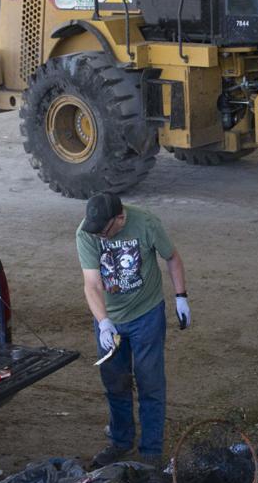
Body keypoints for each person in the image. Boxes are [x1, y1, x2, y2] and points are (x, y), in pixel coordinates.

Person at [78, 191, 189, 467]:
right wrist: (104, 322)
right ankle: (120, 442)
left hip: (146, 315)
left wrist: (181, 296)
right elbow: (91, 284)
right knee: (115, 382)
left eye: (105, 232)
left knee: (150, 382)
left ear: (120, 218)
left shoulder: (146, 223)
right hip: (110, 319)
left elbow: (172, 257)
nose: (101, 237)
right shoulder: (87, 233)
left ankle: (151, 451)